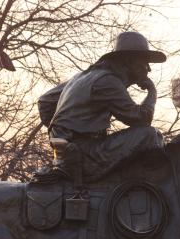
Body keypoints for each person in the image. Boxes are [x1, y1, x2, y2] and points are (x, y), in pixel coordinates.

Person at [38, 32, 166, 183]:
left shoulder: (82, 77)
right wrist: (152, 91)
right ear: (129, 60)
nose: (148, 69)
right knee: (149, 134)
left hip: (66, 155)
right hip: (85, 155)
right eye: (144, 62)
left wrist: (61, 137)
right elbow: (142, 119)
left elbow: (45, 101)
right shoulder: (108, 81)